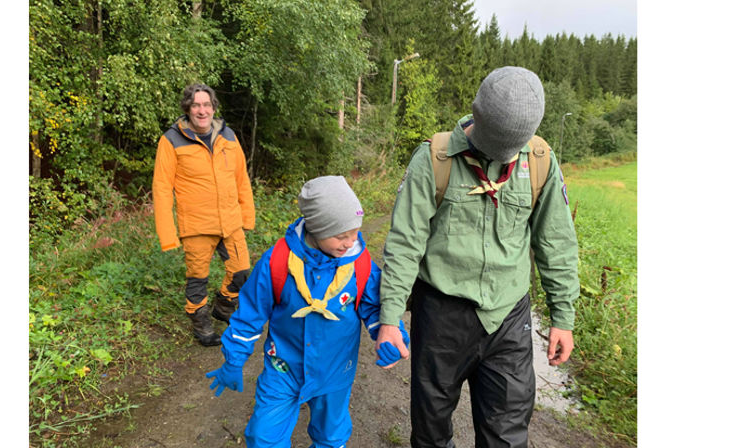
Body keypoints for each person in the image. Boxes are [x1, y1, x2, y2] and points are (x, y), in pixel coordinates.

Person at [375, 66, 580, 448]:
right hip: (440, 317)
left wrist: (562, 317)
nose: (504, 157)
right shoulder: (433, 160)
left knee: (506, 436)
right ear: (478, 115)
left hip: (508, 317)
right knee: (431, 431)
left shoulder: (539, 160)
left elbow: (556, 241)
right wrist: (389, 318)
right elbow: (405, 243)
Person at [205, 175, 410, 448]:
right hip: (283, 368)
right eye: (341, 235)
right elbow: (250, 314)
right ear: (316, 228)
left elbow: (375, 307)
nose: (351, 242)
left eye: (354, 233)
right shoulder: (277, 261)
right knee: (262, 436)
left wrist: (389, 332)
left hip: (336, 370)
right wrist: (234, 358)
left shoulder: (359, 264)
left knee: (331, 436)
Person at [152, 83, 255, 347]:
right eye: (196, 105)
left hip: (230, 221)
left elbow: (241, 177)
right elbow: (162, 188)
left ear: (213, 108)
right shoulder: (171, 140)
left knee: (242, 271)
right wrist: (167, 234)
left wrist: (247, 216)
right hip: (196, 225)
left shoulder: (228, 136)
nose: (202, 110)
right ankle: (200, 321)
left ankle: (223, 306)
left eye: (206, 104)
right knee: (198, 278)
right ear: (187, 108)